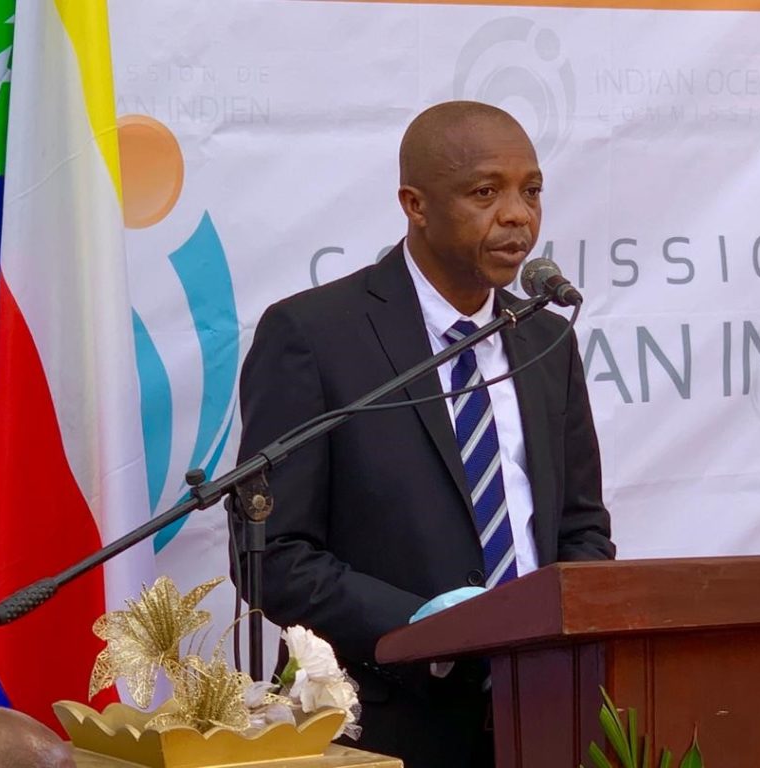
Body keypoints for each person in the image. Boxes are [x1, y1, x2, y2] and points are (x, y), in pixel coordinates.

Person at [236, 100, 614, 768]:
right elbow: (272, 555)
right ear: (416, 205)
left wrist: (566, 639)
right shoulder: (315, 336)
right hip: (389, 723)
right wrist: (424, 625)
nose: (518, 216)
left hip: (547, 712)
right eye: (485, 193)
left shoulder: (546, 340)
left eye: (531, 191)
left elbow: (581, 527)